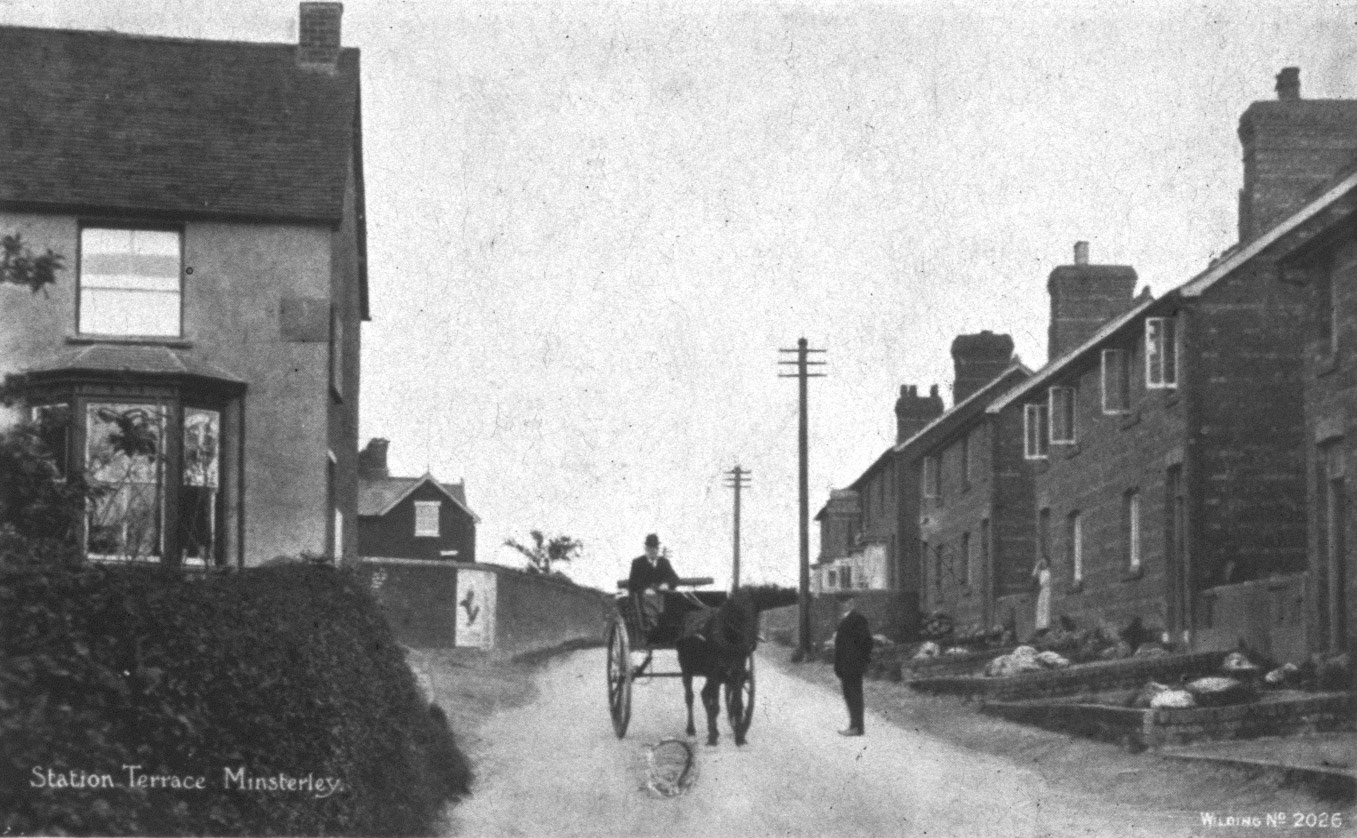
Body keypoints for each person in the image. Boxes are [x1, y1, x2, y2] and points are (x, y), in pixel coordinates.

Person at [833, 592, 873, 737]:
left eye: (846, 601)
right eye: (841, 602)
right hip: (845, 666)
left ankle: (857, 727)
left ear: (852, 602)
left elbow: (867, 642)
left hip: (853, 666)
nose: (843, 604)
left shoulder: (857, 619)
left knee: (854, 695)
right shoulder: (845, 619)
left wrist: (861, 661)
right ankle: (854, 726)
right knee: (849, 695)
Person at [629, 534, 680, 642]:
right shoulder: (638, 563)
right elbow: (633, 582)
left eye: (655, 548)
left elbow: (674, 578)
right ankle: (654, 626)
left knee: (674, 598)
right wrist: (644, 589)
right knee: (649, 597)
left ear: (658, 549)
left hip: (661, 595)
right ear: (646, 549)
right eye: (651, 549)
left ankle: (670, 626)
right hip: (645, 596)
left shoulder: (664, 562)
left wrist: (667, 584)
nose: (653, 551)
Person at [1032, 556, 1052, 633]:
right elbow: (1034, 575)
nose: (1044, 564)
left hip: (1048, 590)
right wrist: (1037, 565)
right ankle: (1041, 627)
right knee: (1041, 608)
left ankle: (1047, 625)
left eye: (1045, 562)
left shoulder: (1049, 571)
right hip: (1043, 591)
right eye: (1042, 562)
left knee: (1047, 608)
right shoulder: (1041, 572)